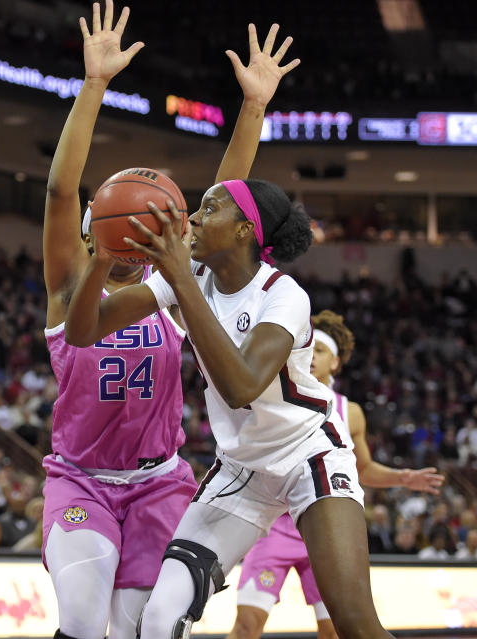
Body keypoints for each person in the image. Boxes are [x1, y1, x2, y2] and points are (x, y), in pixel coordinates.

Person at [40, 3, 300, 639]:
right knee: (78, 616)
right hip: (82, 482)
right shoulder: (70, 288)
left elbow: (226, 199)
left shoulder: (173, 291)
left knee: (140, 629)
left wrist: (253, 109)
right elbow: (59, 191)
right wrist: (94, 83)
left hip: (159, 481)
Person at [65, 190, 393, 636]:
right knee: (159, 618)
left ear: (245, 230)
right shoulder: (190, 274)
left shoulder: (283, 295)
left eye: (209, 209)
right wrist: (103, 258)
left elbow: (240, 386)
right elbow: (83, 331)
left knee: (353, 621)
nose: (193, 219)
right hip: (241, 469)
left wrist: (181, 281)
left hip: (309, 454)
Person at [227, 310, 443, 639]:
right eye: (307, 350)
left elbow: (364, 468)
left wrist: (403, 478)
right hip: (276, 525)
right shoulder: (276, 395)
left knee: (336, 632)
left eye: (320, 352)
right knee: (245, 627)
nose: (311, 358)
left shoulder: (350, 412)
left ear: (336, 363)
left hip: (327, 529)